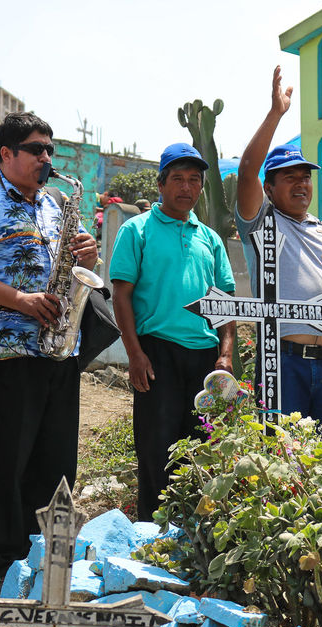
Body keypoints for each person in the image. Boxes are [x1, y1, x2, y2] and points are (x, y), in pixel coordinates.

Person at [0, 111, 98, 594]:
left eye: (50, 150)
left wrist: (88, 255)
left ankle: (42, 563)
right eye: (36, 150)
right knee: (3, 465)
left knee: (55, 464)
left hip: (58, 352)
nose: (46, 158)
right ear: (6, 154)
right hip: (6, 353)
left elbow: (74, 263)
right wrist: (22, 301)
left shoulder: (56, 205)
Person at [235, 66, 322, 465]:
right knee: (282, 463)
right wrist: (276, 113)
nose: (301, 184)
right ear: (269, 188)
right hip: (282, 361)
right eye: (289, 177)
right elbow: (246, 171)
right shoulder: (262, 223)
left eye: (306, 177)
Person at [110, 143, 236, 520]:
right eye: (177, 179)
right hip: (157, 354)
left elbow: (226, 302)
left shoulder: (210, 239)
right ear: (161, 184)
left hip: (205, 361)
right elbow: (121, 295)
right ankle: (155, 540)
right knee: (157, 452)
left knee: (204, 453)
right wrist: (135, 354)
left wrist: (226, 354)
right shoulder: (137, 230)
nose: (186, 187)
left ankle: (197, 539)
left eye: (194, 180)